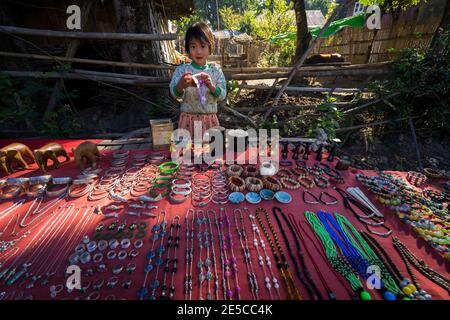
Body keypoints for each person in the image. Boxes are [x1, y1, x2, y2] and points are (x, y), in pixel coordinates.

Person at [169, 22, 226, 141]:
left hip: (210, 121)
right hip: (187, 121)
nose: (198, 52)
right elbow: (175, 94)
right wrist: (181, 84)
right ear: (188, 48)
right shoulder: (182, 70)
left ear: (210, 47)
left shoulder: (215, 71)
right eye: (193, 47)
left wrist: (211, 86)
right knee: (187, 154)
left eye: (203, 46)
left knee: (210, 153)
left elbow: (222, 95)